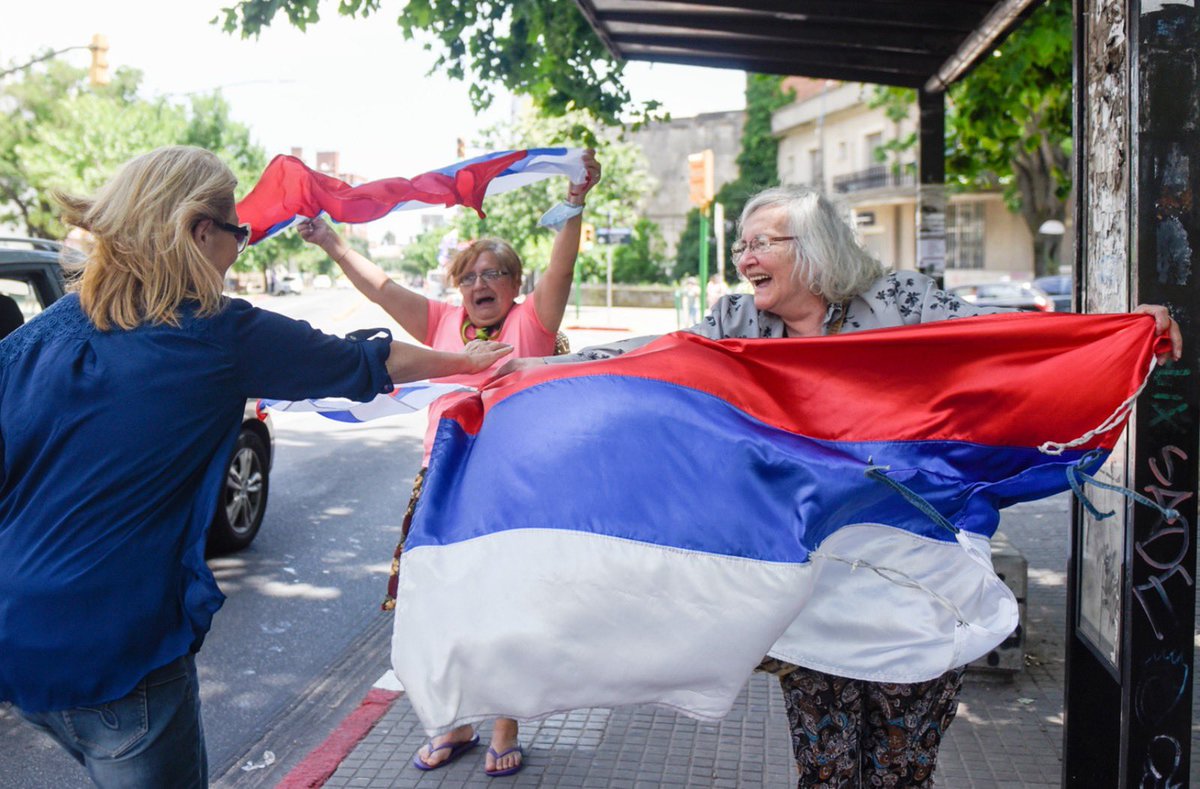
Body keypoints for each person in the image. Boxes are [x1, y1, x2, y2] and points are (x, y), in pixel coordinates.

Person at [502, 186, 1181, 787]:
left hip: (916, 578)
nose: (743, 258)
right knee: (826, 769)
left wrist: (1124, 331)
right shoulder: (740, 323)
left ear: (815, 245)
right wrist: (538, 370)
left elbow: (1006, 344)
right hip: (815, 587)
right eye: (741, 245)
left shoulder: (903, 302)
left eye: (760, 242)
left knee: (899, 770)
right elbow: (655, 362)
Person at [0, 146, 511, 789]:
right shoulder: (214, 334)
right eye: (237, 234)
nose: (238, 250)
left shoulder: (36, 338)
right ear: (198, 232)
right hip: (118, 654)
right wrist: (468, 362)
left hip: (15, 635)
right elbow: (363, 362)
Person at [298, 149, 601, 777]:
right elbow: (381, 288)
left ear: (514, 286)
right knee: (443, 607)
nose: (480, 284)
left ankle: (505, 724)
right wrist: (329, 240)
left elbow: (563, 268)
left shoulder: (533, 322)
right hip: (443, 481)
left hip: (513, 489)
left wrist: (574, 204)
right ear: (457, 287)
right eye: (469, 276)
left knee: (508, 606)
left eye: (495, 274)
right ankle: (456, 722)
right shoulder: (439, 321)